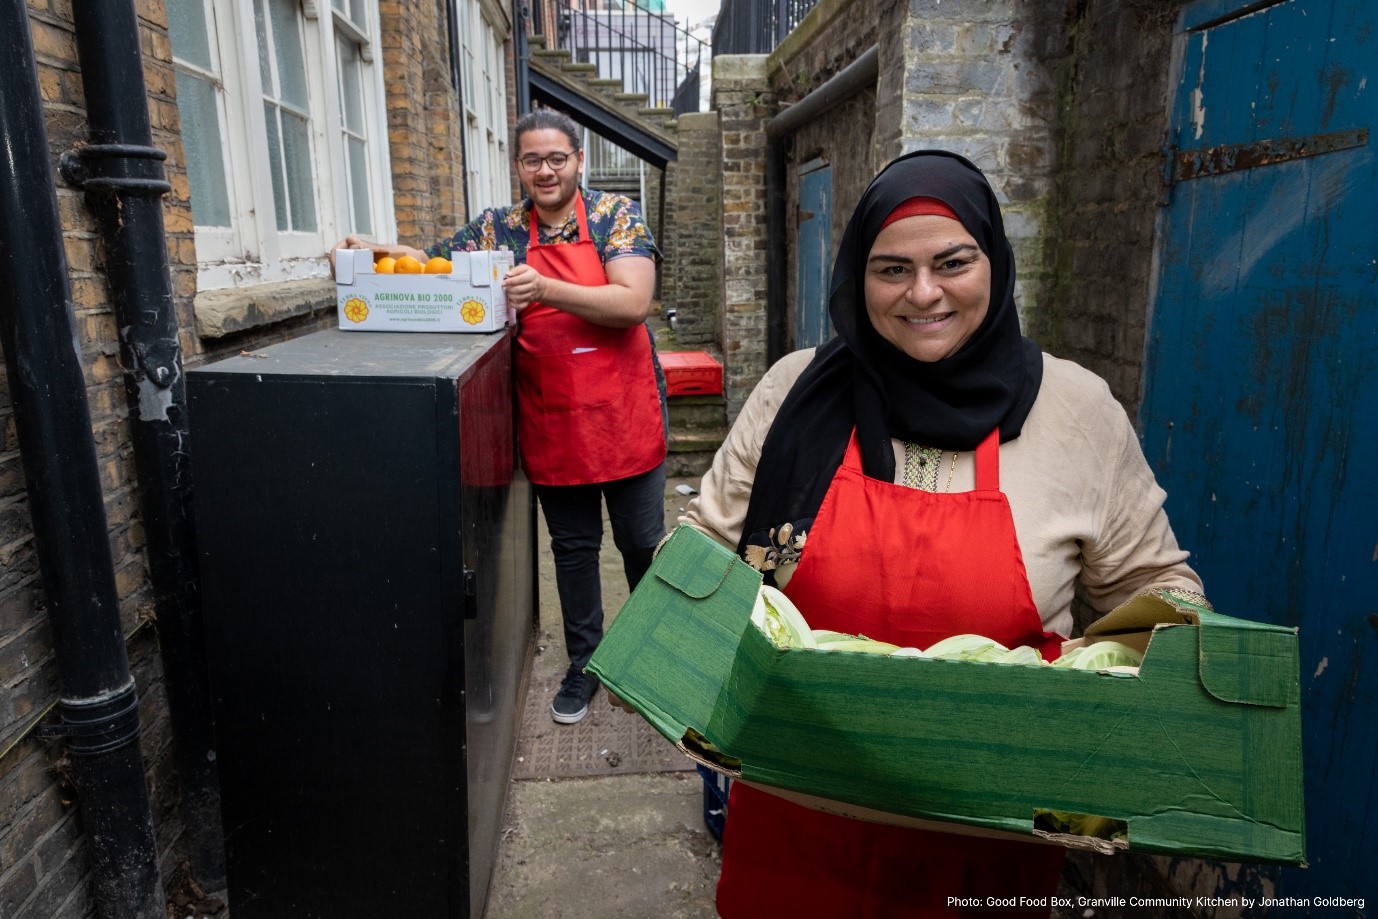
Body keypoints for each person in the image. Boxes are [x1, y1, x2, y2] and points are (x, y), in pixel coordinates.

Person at [678, 151, 1205, 917]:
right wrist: (674, 641)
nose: (923, 293)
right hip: (799, 821)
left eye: (952, 262)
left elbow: (1157, 589)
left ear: (993, 261)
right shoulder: (795, 392)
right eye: (892, 269)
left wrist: (1124, 704)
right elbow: (705, 548)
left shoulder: (1078, 411)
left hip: (991, 838)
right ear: (858, 276)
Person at [332, 109, 668, 726]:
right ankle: (584, 665)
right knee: (572, 550)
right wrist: (376, 250)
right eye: (532, 160)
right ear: (518, 166)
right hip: (553, 416)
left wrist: (543, 288)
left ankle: (648, 663)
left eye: (556, 158)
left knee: (641, 543)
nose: (545, 170)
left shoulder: (614, 217)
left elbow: (632, 302)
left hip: (623, 414)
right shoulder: (499, 227)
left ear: (578, 160)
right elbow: (433, 263)